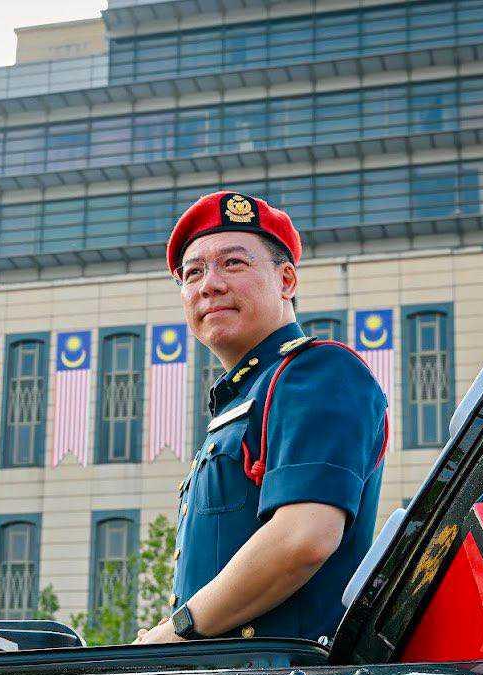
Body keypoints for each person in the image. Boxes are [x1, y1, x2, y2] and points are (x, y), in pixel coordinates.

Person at [135, 191, 388, 644]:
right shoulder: (246, 396)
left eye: (232, 264)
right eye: (193, 273)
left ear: (286, 280)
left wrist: (174, 633)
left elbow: (303, 537)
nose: (209, 284)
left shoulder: (318, 372)